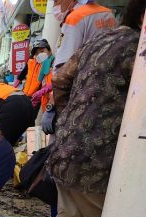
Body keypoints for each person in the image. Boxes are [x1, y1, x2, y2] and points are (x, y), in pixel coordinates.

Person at [35, 0, 143, 217]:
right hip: (103, 155)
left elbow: (60, 79)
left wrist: (70, 116)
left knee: (71, 214)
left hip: (68, 147)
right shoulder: (139, 50)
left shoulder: (104, 39)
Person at [43, 0, 116, 134]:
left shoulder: (75, 18)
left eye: (56, 1)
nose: (55, 5)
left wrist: (51, 106)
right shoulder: (108, 14)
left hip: (79, 96)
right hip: (106, 92)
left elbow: (62, 72)